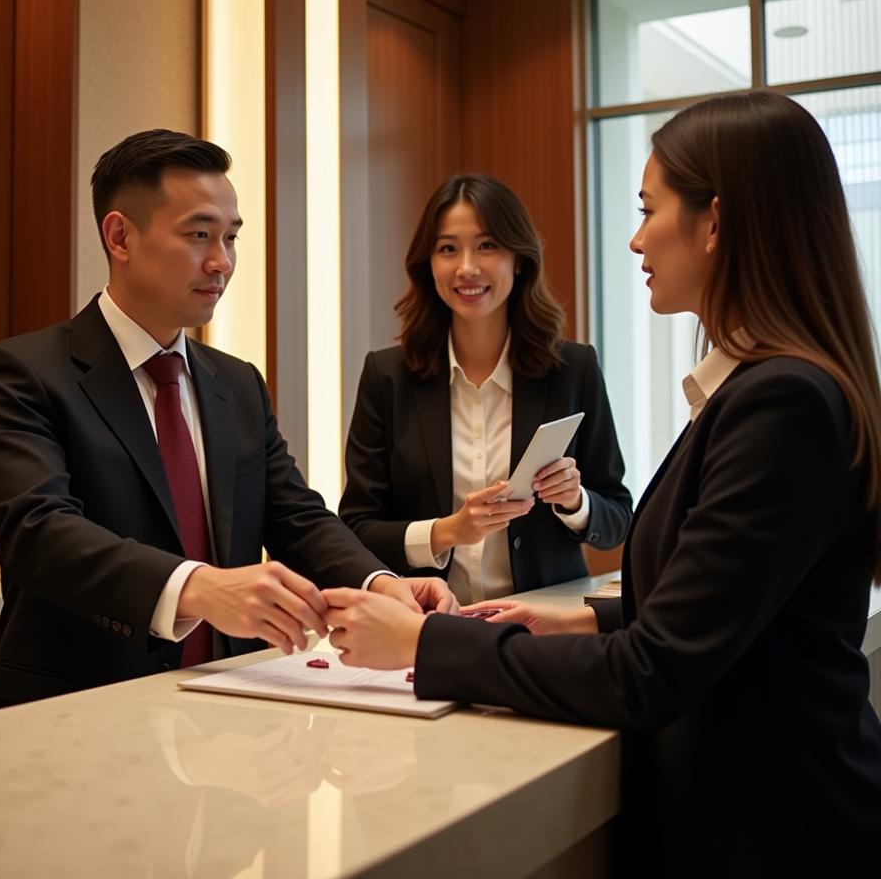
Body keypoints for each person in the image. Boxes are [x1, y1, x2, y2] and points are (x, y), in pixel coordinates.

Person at [322, 93, 881, 875]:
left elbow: (654, 671)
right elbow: (724, 604)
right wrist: (579, 622)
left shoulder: (778, 403)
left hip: (772, 829)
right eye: (448, 250)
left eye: (650, 209)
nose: (635, 237)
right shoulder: (762, 392)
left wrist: (427, 643)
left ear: (714, 223)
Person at [0, 129, 453, 710]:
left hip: (223, 706)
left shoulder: (237, 383)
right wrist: (199, 587)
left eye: (230, 237)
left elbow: (295, 516)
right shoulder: (22, 371)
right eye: (199, 235)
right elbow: (37, 532)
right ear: (120, 236)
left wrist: (380, 583)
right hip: (73, 710)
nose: (222, 262)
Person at [339, 173, 631, 605]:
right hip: (426, 625)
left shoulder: (573, 368)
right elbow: (357, 527)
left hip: (545, 626)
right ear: (429, 264)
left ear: (519, 258)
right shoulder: (387, 376)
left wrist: (576, 502)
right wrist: (449, 531)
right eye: (448, 249)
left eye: (487, 245)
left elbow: (618, 517)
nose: (467, 267)